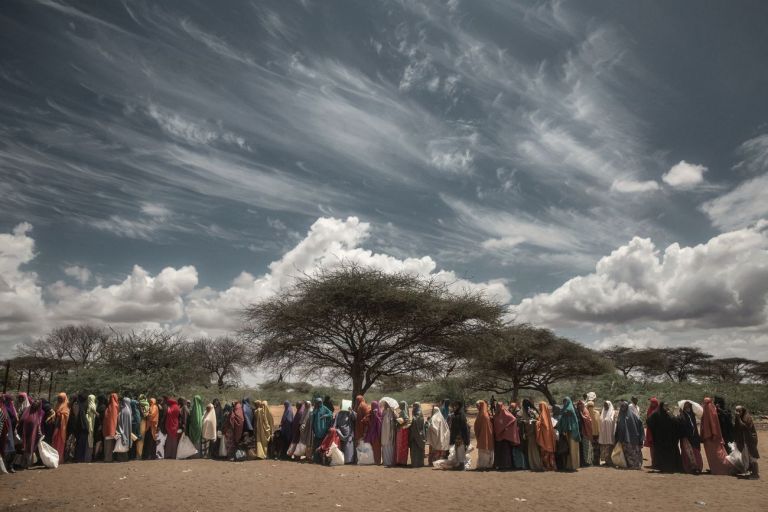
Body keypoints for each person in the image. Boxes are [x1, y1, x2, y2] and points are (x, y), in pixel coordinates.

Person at [700, 397, 735, 475]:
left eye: (718, 403)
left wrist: (719, 411)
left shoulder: (725, 411)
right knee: (718, 453)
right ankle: (716, 468)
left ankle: (728, 468)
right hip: (718, 435)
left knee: (724, 452)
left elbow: (727, 419)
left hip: (726, 435)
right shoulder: (712, 411)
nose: (717, 404)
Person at [646, 401, 682, 473]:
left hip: (669, 438)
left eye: (667, 406)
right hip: (660, 438)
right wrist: (656, 430)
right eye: (664, 406)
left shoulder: (669, 414)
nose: (666, 407)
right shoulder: (656, 414)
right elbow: (649, 421)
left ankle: (670, 467)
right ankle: (661, 467)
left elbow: (675, 422)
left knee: (669, 452)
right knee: (661, 453)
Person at [615, 400, 644, 470]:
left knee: (633, 452)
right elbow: (618, 427)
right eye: (621, 406)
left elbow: (640, 424)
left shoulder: (632, 416)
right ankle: (628, 464)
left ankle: (635, 465)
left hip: (632, 438)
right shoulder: (620, 415)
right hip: (623, 438)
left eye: (624, 406)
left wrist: (640, 437)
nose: (622, 408)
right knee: (626, 453)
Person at [734, 405, 759, 479]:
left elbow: (744, 427)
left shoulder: (747, 417)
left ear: (743, 411)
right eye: (736, 411)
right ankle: (749, 472)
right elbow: (736, 428)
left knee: (752, 456)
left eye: (739, 411)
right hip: (744, 440)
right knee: (745, 455)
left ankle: (755, 474)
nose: (737, 412)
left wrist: (738, 418)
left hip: (750, 439)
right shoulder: (739, 418)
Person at [492, 402, 519, 470]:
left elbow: (513, 419)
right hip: (498, 436)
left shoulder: (506, 413)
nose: (498, 407)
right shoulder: (496, 414)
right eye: (497, 406)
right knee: (498, 451)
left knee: (505, 451)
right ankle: (499, 465)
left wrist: (506, 428)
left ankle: (506, 465)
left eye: (499, 406)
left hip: (504, 436)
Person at [556, 397, 580, 471]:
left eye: (565, 401)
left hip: (572, 433)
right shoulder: (564, 411)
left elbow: (571, 423)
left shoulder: (569, 410)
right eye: (563, 401)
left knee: (572, 449)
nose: (564, 403)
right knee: (568, 450)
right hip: (567, 433)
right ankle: (569, 465)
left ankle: (573, 466)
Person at [678, 401, 703, 474]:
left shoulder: (692, 414)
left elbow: (694, 425)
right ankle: (690, 467)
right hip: (685, 437)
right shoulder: (682, 415)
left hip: (693, 437)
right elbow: (682, 425)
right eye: (686, 405)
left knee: (695, 452)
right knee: (688, 452)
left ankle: (697, 467)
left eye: (688, 405)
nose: (687, 406)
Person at [18, 399, 43, 469]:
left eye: (37, 403)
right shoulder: (27, 410)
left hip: (32, 433)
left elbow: (38, 424)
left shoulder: (37, 413)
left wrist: (39, 434)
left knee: (29, 447)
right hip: (24, 432)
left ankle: (27, 463)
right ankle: (22, 463)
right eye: (35, 401)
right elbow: (21, 420)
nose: (35, 403)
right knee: (23, 447)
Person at [521, 399, 542, 471]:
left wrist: (525, 422)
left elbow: (531, 421)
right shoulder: (533, 410)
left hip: (531, 433)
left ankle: (535, 464)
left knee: (533, 449)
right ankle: (535, 464)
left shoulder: (529, 411)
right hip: (534, 432)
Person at [449, 401, 469, 470]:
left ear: (459, 406)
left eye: (456, 406)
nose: (455, 407)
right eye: (454, 406)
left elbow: (464, 427)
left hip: (461, 436)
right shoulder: (456, 414)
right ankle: (459, 465)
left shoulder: (461, 415)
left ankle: (461, 465)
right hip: (456, 435)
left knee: (460, 450)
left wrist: (466, 439)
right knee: (457, 450)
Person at [536, 401, 556, 471]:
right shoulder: (547, 415)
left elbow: (542, 424)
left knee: (544, 450)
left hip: (544, 437)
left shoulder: (542, 415)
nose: (539, 407)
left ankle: (546, 466)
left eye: (540, 406)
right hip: (549, 436)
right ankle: (551, 466)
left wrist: (537, 422)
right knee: (549, 451)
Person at [474, 400, 494, 470]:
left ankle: (484, 465)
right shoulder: (483, 414)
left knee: (484, 451)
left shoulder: (483, 415)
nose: (477, 407)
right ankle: (485, 464)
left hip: (484, 435)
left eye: (478, 406)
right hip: (484, 435)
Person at [52, 392, 70, 462]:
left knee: (60, 442)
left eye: (61, 398)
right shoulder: (57, 405)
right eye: (58, 398)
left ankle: (59, 458)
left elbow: (66, 415)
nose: (59, 400)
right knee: (55, 441)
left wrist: (60, 415)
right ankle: (54, 457)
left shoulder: (66, 406)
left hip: (62, 428)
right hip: (56, 426)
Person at [363, 400, 382, 465]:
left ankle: (378, 461)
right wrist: (366, 419)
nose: (372, 407)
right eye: (372, 406)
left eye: (373, 406)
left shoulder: (379, 413)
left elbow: (380, 422)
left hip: (377, 433)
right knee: (372, 447)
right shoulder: (370, 412)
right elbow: (367, 420)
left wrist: (376, 416)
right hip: (371, 432)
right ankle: (373, 460)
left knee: (377, 447)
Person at [598, 401, 615, 467]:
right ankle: (606, 461)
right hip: (603, 434)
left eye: (606, 405)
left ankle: (610, 461)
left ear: (609, 405)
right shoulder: (603, 412)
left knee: (609, 447)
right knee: (604, 448)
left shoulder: (612, 413)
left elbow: (613, 423)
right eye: (604, 405)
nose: (605, 406)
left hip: (610, 434)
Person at [576, 400, 593, 467]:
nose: (579, 406)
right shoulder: (579, 411)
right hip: (581, 432)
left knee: (587, 447)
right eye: (578, 404)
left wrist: (582, 415)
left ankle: (588, 462)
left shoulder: (585, 411)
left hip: (586, 432)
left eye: (581, 404)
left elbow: (587, 420)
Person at [102, 393, 119, 462]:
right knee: (110, 444)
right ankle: (108, 459)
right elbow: (114, 419)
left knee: (107, 444)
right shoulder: (115, 406)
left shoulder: (109, 406)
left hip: (107, 428)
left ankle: (107, 458)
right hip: (112, 428)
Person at [115, 397, 133, 462]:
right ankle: (125, 458)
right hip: (127, 430)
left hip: (122, 430)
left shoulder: (124, 410)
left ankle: (122, 459)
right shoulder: (129, 410)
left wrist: (120, 431)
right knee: (125, 443)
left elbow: (121, 422)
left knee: (122, 443)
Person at [644, 397, 660, 468]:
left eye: (653, 402)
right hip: (650, 431)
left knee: (657, 447)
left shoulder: (658, 410)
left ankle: (657, 463)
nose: (651, 403)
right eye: (651, 402)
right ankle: (653, 463)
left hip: (656, 432)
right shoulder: (649, 409)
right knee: (652, 447)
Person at [409, 402, 426, 468]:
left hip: (416, 435)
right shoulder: (420, 413)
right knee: (418, 450)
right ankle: (419, 463)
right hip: (420, 434)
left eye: (414, 407)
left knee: (416, 450)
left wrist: (412, 420)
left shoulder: (418, 414)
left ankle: (416, 463)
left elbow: (415, 422)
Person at [380, 401, 397, 466]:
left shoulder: (392, 411)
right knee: (386, 446)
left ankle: (389, 462)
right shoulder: (384, 412)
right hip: (385, 431)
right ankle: (387, 462)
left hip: (390, 431)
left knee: (389, 446)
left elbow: (397, 418)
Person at [395, 400, 411, 466]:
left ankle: (402, 461)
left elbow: (407, 420)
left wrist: (401, 423)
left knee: (402, 445)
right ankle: (400, 460)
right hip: (402, 430)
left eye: (400, 405)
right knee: (400, 445)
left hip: (403, 431)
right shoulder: (402, 412)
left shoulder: (404, 412)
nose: (399, 406)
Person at [587, 401, 601, 466]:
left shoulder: (597, 413)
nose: (590, 408)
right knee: (592, 449)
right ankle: (592, 462)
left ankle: (596, 462)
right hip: (591, 434)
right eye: (589, 407)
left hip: (596, 434)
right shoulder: (586, 414)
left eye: (591, 406)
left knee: (596, 449)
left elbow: (599, 423)